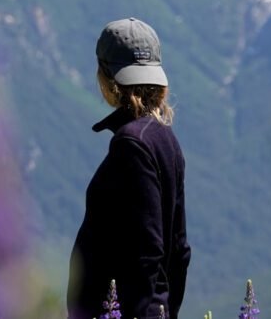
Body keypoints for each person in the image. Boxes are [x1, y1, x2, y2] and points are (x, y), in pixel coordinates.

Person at [67, 17, 191, 319]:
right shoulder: (165, 138)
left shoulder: (131, 144)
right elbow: (179, 250)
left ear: (107, 78)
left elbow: (146, 252)